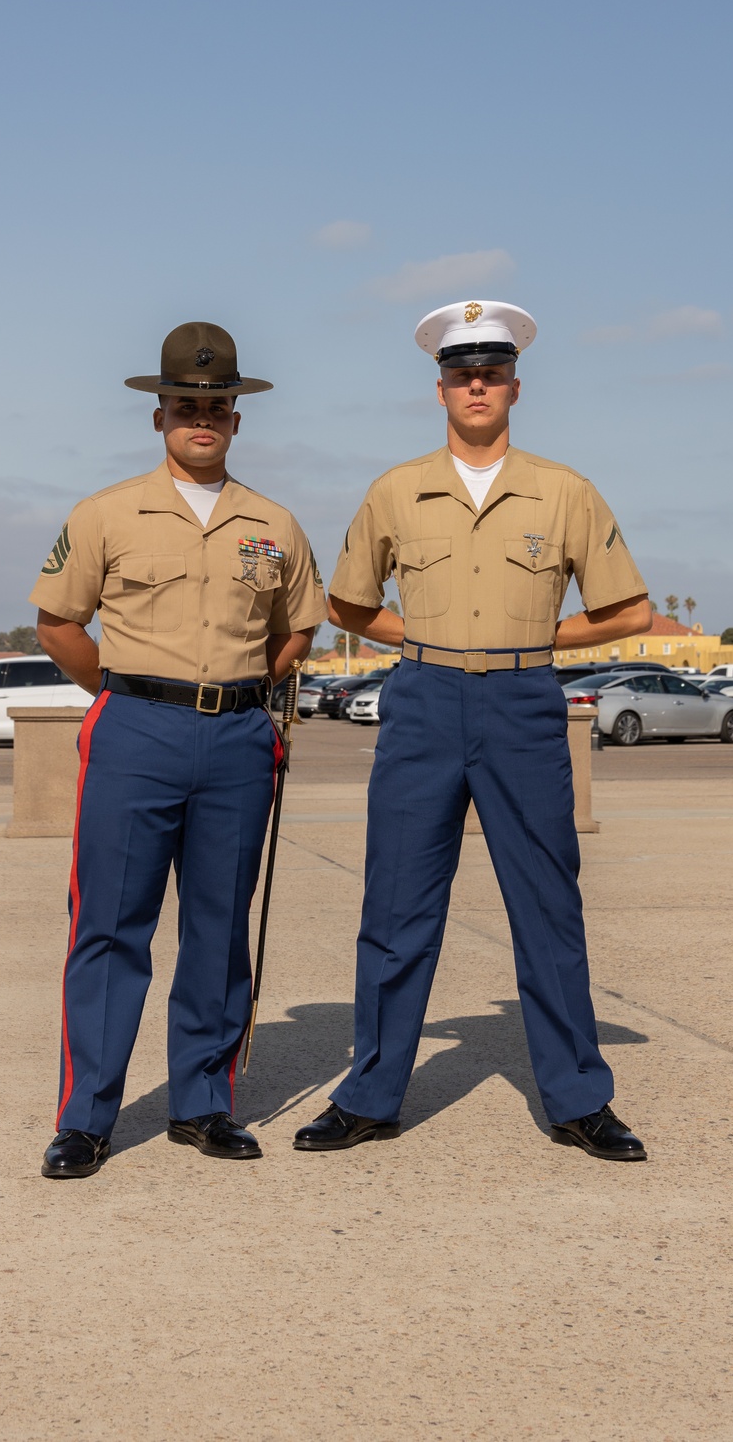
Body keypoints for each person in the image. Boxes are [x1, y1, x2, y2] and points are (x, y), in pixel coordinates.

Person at [294, 300, 652, 1161]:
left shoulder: (564, 491)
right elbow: (347, 604)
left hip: (525, 705)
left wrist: (530, 641)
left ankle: (576, 1098)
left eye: (491, 372)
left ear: (515, 388)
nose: (477, 384)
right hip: (424, 701)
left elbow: (627, 607)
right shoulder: (395, 490)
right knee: (397, 904)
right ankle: (371, 1095)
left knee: (547, 904)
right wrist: (422, 643)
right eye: (461, 372)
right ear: (441, 388)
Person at [31, 321, 325, 1178]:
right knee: (110, 929)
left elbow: (296, 628)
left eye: (218, 406)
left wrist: (234, 695)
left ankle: (203, 1104)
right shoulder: (106, 514)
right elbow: (59, 622)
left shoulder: (273, 523)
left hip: (235, 738)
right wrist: (129, 694)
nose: (204, 417)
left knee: (217, 928)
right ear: (158, 414)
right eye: (188, 404)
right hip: (135, 734)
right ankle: (85, 1118)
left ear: (239, 419)